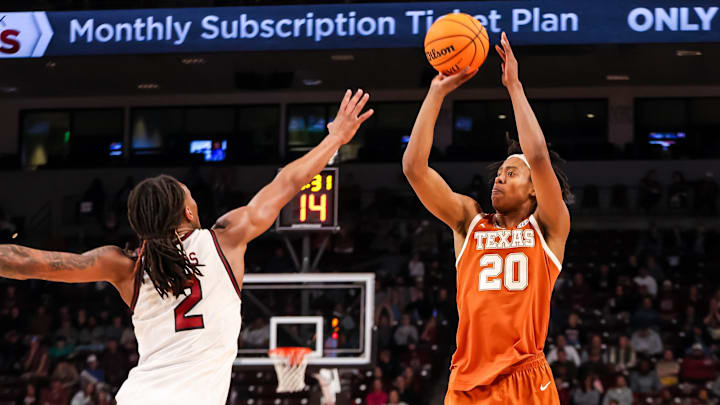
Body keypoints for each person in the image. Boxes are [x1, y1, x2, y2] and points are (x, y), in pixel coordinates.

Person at [0, 90, 373, 405]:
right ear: (189, 210)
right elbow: (286, 183)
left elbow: (32, 262)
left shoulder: (125, 265)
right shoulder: (225, 238)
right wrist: (334, 139)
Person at [404, 32, 572, 405]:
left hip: (525, 376)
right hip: (467, 382)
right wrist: (435, 93)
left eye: (512, 173)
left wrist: (513, 86)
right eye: (500, 172)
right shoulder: (469, 221)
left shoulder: (548, 228)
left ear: (534, 191)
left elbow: (539, 156)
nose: (499, 176)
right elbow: (414, 169)